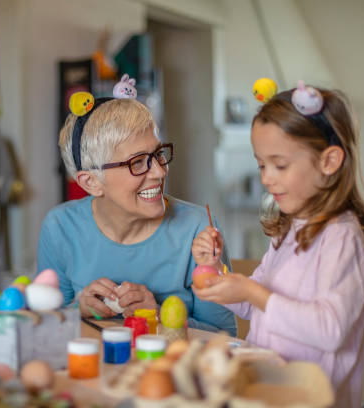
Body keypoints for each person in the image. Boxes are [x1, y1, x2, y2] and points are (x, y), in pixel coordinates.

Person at [192, 81, 364, 407]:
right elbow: (254, 306)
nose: (267, 178)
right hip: (271, 391)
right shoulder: (290, 231)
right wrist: (214, 271)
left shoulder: (342, 239)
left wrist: (253, 292)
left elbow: (330, 330)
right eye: (261, 165)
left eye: (279, 165)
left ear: (329, 161)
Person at [37, 77, 237, 335]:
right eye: (138, 162)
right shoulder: (61, 228)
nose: (160, 172)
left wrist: (158, 316)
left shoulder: (197, 228)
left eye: (158, 154)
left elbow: (225, 337)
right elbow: (43, 330)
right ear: (91, 182)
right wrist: (77, 309)